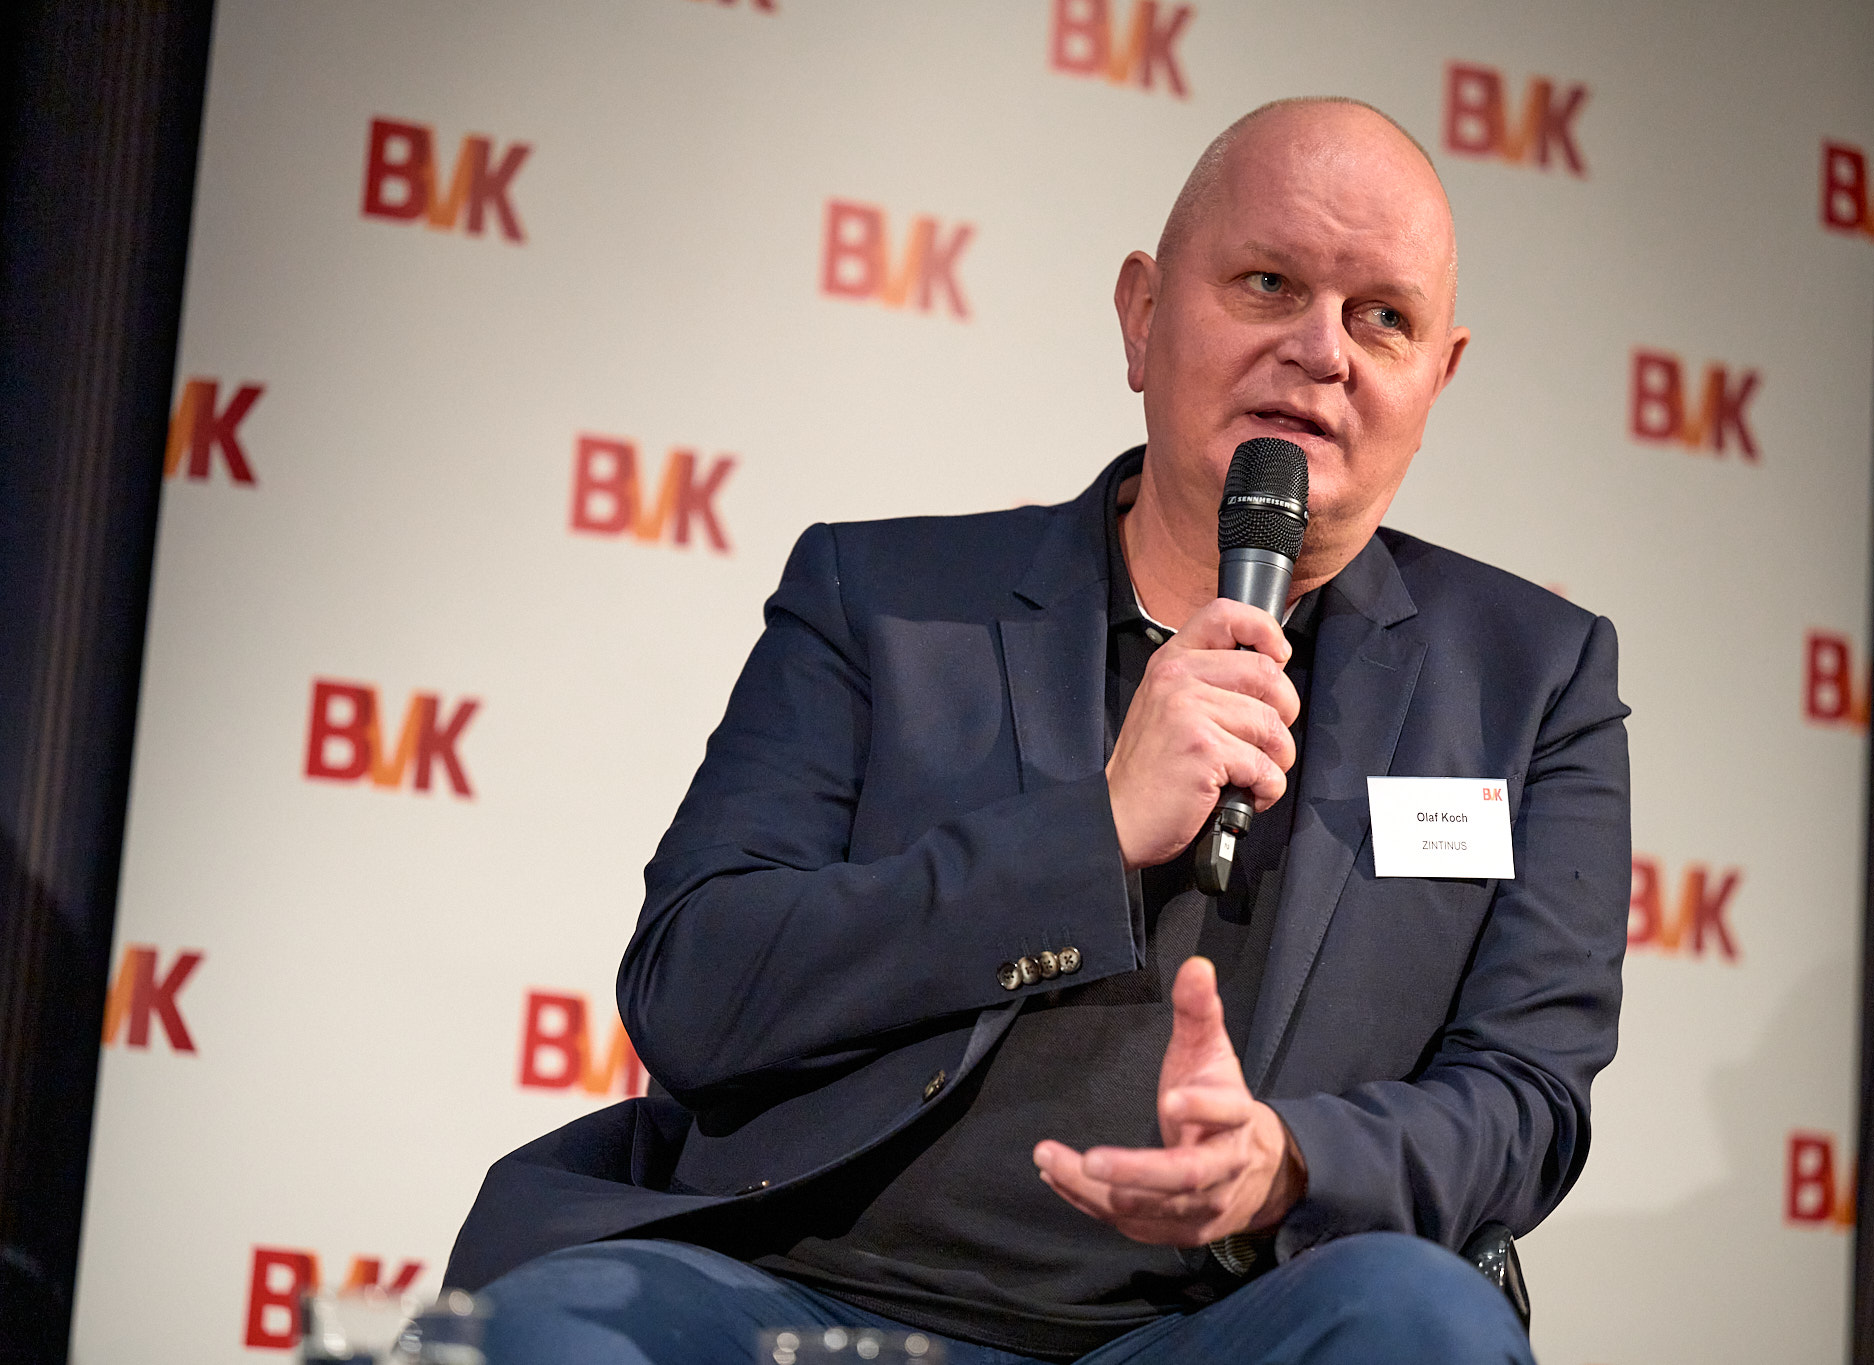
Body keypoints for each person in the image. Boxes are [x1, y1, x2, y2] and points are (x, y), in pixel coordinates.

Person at [446, 97, 1630, 1365]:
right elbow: (693, 990)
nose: (1319, 350)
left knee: (1417, 1321)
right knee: (556, 1335)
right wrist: (1088, 836)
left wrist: (1288, 1160)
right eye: (1268, 284)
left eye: (1380, 316)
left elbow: (1522, 1099)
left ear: (1436, 376)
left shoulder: (1529, 681)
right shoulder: (882, 603)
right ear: (1141, 315)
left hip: (1209, 1331)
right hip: (807, 1294)